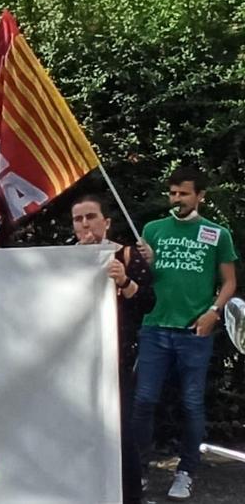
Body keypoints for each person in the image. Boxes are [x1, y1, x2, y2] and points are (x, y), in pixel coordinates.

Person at [133, 166, 238, 500]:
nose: (176, 199)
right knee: (144, 401)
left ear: (200, 196)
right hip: (154, 327)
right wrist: (146, 261)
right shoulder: (153, 229)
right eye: (173, 193)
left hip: (194, 331)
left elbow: (230, 282)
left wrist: (213, 312)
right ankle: (137, 472)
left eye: (184, 194)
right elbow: (143, 280)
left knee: (192, 403)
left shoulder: (217, 234)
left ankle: (186, 471)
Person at [71, 194, 155, 504]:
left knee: (120, 431)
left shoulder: (128, 255)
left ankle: (130, 496)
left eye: (90, 216)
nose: (85, 224)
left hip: (117, 358)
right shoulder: (62, 260)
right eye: (78, 219)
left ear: (106, 221)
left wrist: (125, 282)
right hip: (74, 361)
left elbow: (148, 302)